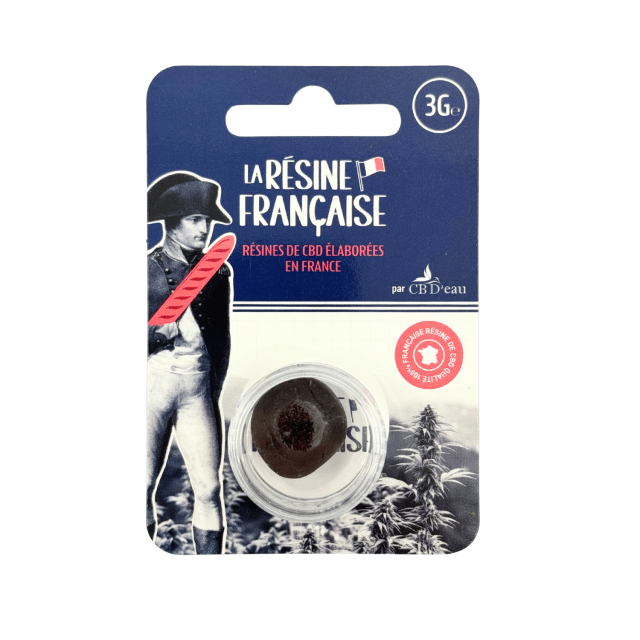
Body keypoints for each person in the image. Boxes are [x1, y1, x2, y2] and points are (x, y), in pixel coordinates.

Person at [146, 171, 233, 555]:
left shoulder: (217, 273)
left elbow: (222, 338)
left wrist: (213, 387)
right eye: (195, 219)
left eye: (207, 220)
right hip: (154, 386)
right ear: (172, 222)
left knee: (210, 489)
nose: (204, 229)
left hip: (198, 388)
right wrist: (156, 334)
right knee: (143, 484)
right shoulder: (147, 270)